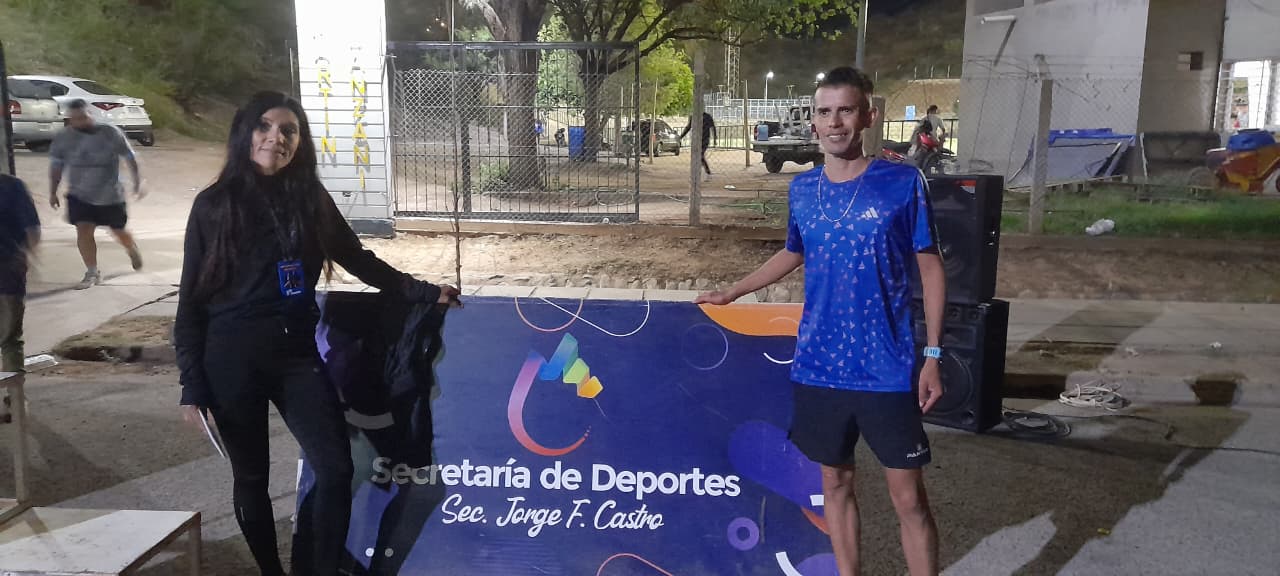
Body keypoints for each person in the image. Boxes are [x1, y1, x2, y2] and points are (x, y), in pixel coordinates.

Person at [172, 91, 461, 576]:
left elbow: (358, 259)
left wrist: (422, 291)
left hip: (296, 358)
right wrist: (191, 383)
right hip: (230, 359)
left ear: (300, 143)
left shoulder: (310, 200)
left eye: (288, 131)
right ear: (246, 133)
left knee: (335, 468)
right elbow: (191, 302)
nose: (275, 138)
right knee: (251, 477)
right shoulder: (213, 205)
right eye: (265, 127)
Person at [695, 67, 947, 576]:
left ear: (868, 116)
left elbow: (931, 267)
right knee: (835, 483)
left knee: (908, 498)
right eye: (825, 111)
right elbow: (793, 252)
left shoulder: (902, 183)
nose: (835, 123)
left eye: (846, 110)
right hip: (819, 367)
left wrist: (934, 355)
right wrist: (737, 290)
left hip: (888, 368)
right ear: (813, 121)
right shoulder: (804, 190)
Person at [48, 99, 144, 289]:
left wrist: (137, 182)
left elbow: (129, 156)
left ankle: (130, 247)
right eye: (76, 119)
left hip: (110, 194)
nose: (81, 122)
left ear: (90, 114)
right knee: (83, 230)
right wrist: (53, 191)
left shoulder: (109, 132)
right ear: (70, 120)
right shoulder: (63, 138)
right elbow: (56, 166)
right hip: (79, 193)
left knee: (118, 230)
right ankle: (92, 271)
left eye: (84, 117)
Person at [0, 173, 40, 424]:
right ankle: (15, 398)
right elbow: (32, 229)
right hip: (8, 273)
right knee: (10, 340)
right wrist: (31, 257)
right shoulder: (11, 186)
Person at [679, 111, 717, 179]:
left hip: (705, 139)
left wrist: (715, 139)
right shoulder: (693, 116)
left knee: (700, 155)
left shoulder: (707, 116)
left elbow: (713, 127)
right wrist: (681, 137)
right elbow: (688, 127)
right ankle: (698, 173)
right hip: (696, 140)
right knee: (697, 156)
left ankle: (707, 172)